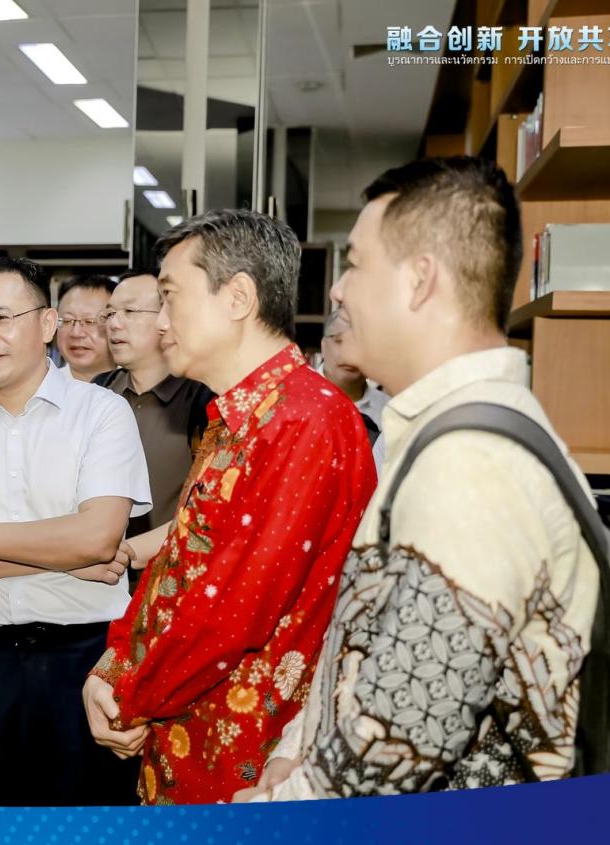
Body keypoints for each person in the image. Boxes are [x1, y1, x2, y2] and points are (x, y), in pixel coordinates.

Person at [237, 156, 598, 801]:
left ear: (420, 281)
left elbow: (400, 740)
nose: (338, 291)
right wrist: (300, 748)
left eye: (356, 264)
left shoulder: (472, 466)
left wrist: (275, 810)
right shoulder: (447, 434)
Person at [83, 209, 377, 805]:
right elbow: (178, 567)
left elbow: (233, 612)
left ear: (238, 297)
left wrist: (128, 697)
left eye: (170, 297)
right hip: (185, 732)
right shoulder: (236, 416)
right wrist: (110, 671)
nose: (160, 322)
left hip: (245, 757)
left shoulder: (303, 420)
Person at [0, 256, 151, 805]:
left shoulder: (103, 413)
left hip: (88, 655)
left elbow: (97, 539)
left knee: (89, 820)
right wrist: (67, 557)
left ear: (46, 324)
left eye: (1, 318)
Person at [97, 269, 213, 545]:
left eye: (130, 311)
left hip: (172, 563)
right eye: (110, 313)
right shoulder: (99, 390)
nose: (114, 324)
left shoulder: (203, 399)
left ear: (167, 317)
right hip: (96, 564)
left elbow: (210, 509)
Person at [320, 308, 389, 468]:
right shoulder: (295, 399)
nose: (348, 354)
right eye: (339, 341)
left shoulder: (388, 409)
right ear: (323, 346)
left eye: (358, 343)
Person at [56, 274, 117, 382]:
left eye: (89, 321)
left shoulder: (136, 386)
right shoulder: (40, 387)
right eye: (67, 320)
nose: (76, 333)